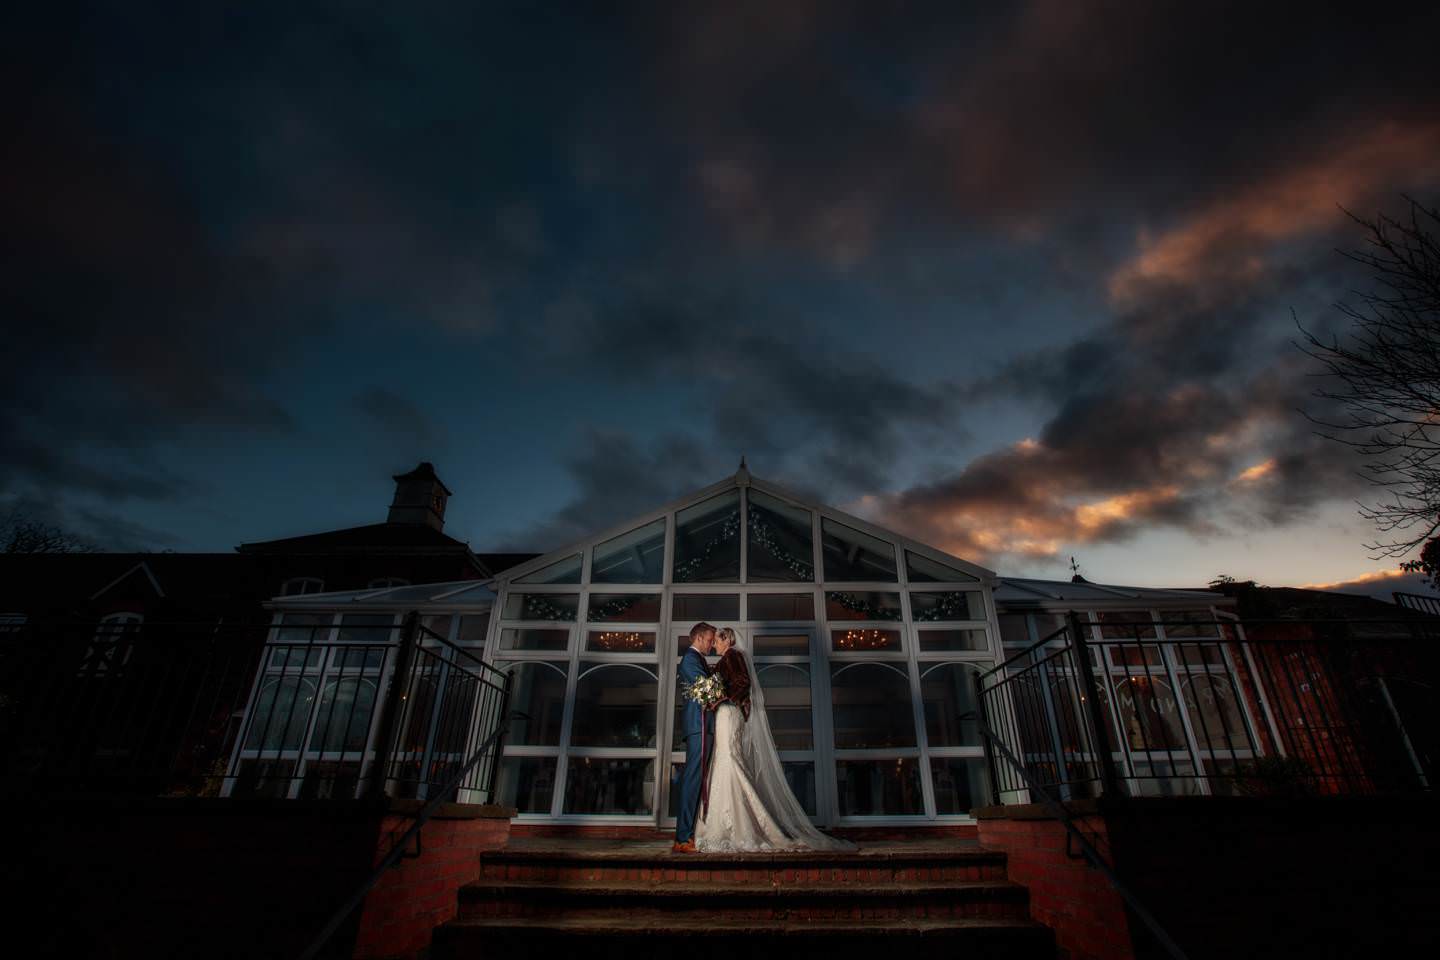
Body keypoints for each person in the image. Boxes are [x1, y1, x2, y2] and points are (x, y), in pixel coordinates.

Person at [695, 626, 856, 852]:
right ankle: (726, 820)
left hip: (730, 714)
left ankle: (745, 822)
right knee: (725, 760)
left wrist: (720, 700)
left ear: (727, 640)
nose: (714, 645)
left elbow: (742, 683)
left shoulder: (733, 656)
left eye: (717, 641)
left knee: (730, 759)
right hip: (726, 714)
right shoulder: (727, 658)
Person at [672, 621, 717, 853]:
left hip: (703, 726)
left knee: (696, 780)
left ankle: (687, 835)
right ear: (698, 638)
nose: (711, 644)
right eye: (710, 640)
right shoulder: (690, 659)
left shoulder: (698, 660)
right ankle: (683, 838)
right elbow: (709, 691)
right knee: (692, 780)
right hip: (698, 726)